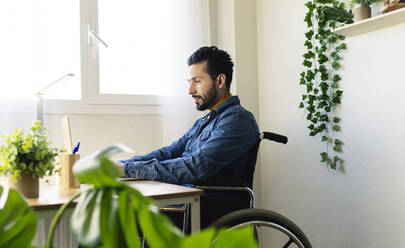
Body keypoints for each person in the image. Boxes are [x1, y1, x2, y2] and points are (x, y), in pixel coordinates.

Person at [116, 46, 259, 228]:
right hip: (187, 204)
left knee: (107, 223)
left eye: (197, 81)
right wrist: (121, 166)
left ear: (220, 81)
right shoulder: (205, 122)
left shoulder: (238, 121)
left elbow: (195, 167)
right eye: (189, 82)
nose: (190, 90)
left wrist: (127, 170)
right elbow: (168, 153)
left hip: (208, 211)